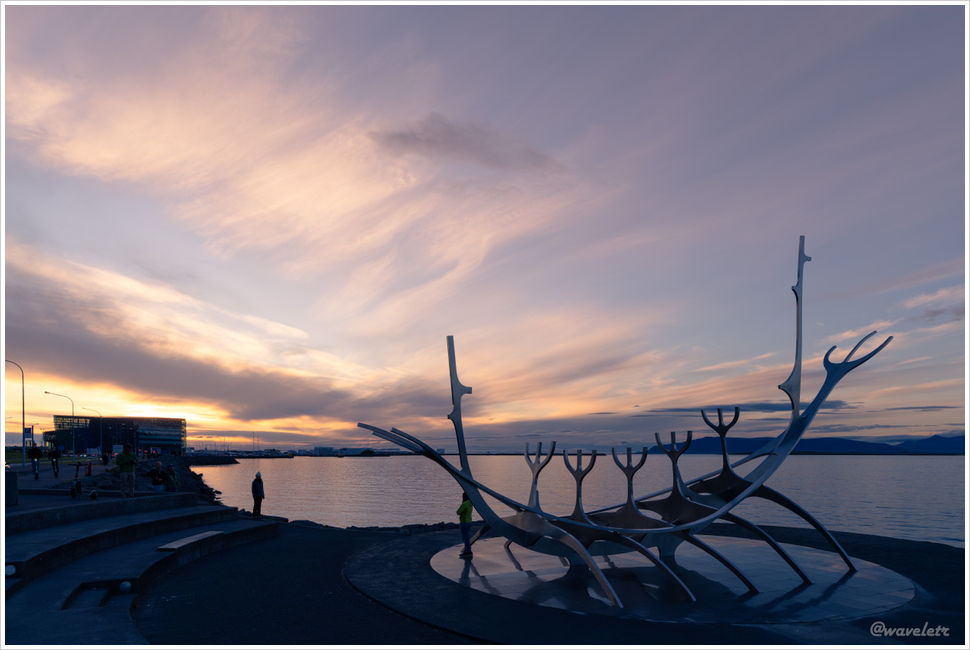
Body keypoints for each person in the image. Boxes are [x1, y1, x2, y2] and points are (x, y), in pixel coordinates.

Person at [457, 492, 474, 558]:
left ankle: (468, 551)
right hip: (469, 521)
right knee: (466, 537)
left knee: (465, 538)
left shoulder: (464, 504)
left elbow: (458, 512)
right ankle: (467, 550)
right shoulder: (470, 503)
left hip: (464, 522)